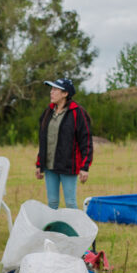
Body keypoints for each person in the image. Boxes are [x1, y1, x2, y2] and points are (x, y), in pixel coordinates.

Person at [36, 78, 93, 209]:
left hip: (69, 166)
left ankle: (76, 229)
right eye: (51, 89)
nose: (51, 92)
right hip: (50, 166)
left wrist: (84, 167)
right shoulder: (48, 112)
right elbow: (44, 140)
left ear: (65, 93)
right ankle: (53, 229)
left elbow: (86, 141)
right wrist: (39, 164)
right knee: (52, 202)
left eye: (55, 90)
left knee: (70, 202)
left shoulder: (77, 112)